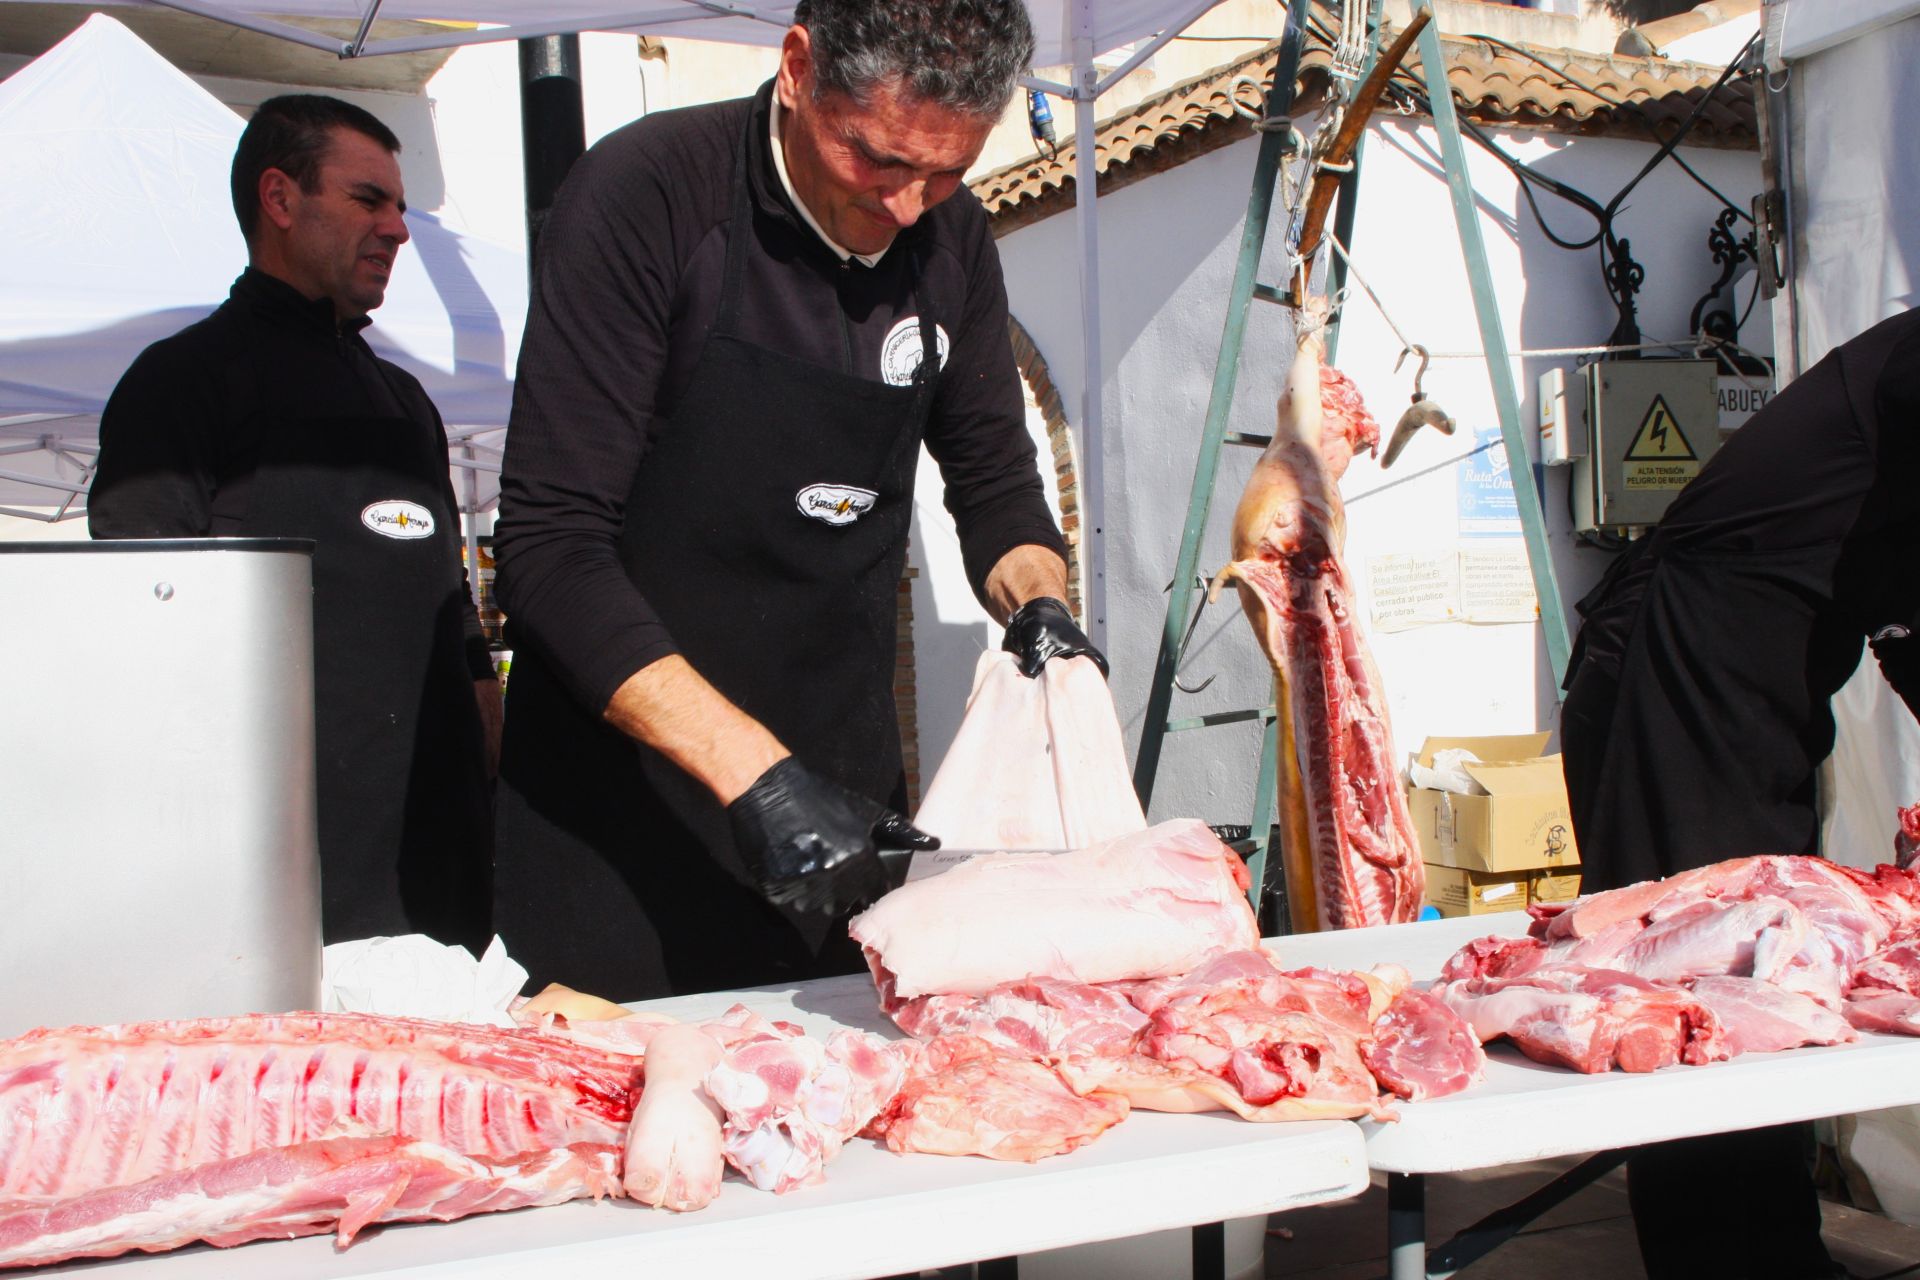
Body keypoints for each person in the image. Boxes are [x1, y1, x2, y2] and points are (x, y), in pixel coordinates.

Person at [491, 0, 1099, 1002]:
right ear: (796, 68)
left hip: (842, 812)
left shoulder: (952, 242)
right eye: (876, 160)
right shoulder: (647, 198)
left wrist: (1040, 602)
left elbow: (995, 482)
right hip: (620, 821)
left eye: (946, 171)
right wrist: (756, 775)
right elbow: (551, 546)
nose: (908, 205)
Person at [89, 94, 499, 953]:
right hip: (282, 876)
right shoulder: (181, 383)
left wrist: (492, 755)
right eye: (368, 200)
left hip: (443, 865)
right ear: (279, 199)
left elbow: (454, 614)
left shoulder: (405, 399)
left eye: (400, 205)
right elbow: (141, 637)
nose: (398, 229)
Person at [1560, 306, 1920, 1280]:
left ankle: (1778, 1253)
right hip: (1673, 674)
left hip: (1755, 697)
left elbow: (1900, 609)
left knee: (1770, 995)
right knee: (1704, 1010)